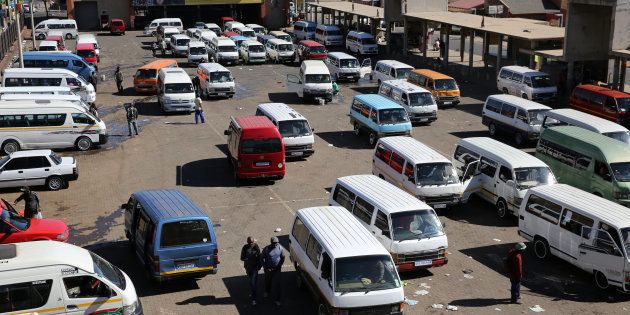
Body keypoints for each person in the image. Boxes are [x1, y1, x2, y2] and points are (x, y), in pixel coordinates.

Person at [260, 236, 285, 306]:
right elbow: (261, 258)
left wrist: (280, 265)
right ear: (271, 242)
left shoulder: (280, 248)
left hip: (277, 270)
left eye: (277, 243)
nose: (276, 244)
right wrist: (265, 267)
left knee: (277, 284)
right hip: (268, 270)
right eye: (274, 243)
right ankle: (267, 291)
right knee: (268, 281)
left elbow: (283, 257)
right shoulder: (266, 249)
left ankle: (277, 299)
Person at [240, 237, 262, 306]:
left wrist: (259, 266)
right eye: (250, 242)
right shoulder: (245, 247)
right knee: (251, 282)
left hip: (255, 268)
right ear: (247, 242)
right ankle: (253, 293)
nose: (251, 244)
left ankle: (254, 299)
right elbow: (241, 258)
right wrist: (247, 259)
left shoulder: (256, 247)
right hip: (248, 268)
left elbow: (260, 257)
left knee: (253, 283)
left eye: (252, 242)